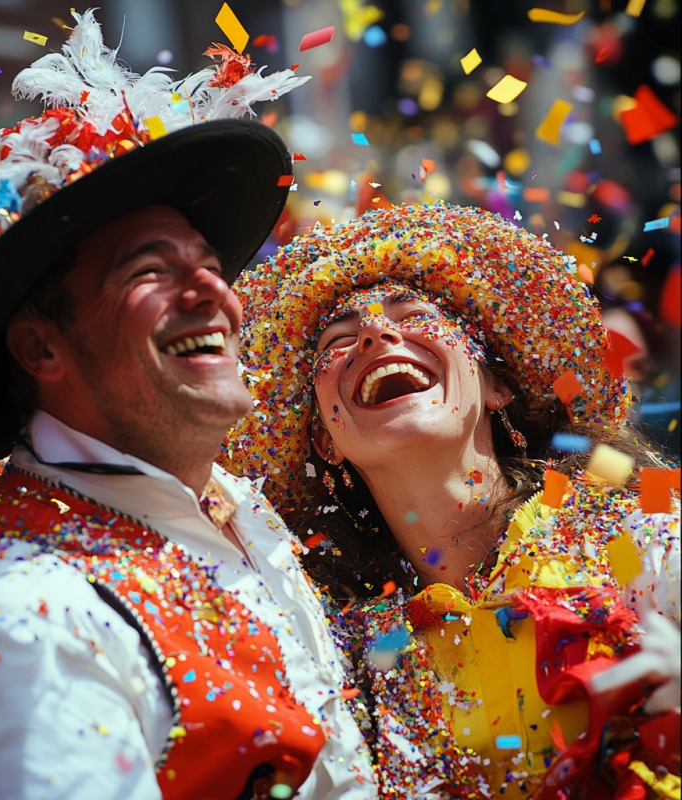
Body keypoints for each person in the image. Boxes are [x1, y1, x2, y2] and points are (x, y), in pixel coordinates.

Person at [0, 12, 376, 800]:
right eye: (151, 269)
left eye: (212, 265)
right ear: (42, 350)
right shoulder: (12, 615)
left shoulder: (237, 509)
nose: (214, 292)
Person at [224, 203, 681, 798]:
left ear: (497, 385)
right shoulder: (333, 649)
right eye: (338, 340)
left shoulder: (641, 533)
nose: (375, 333)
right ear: (324, 441)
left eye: (413, 315)